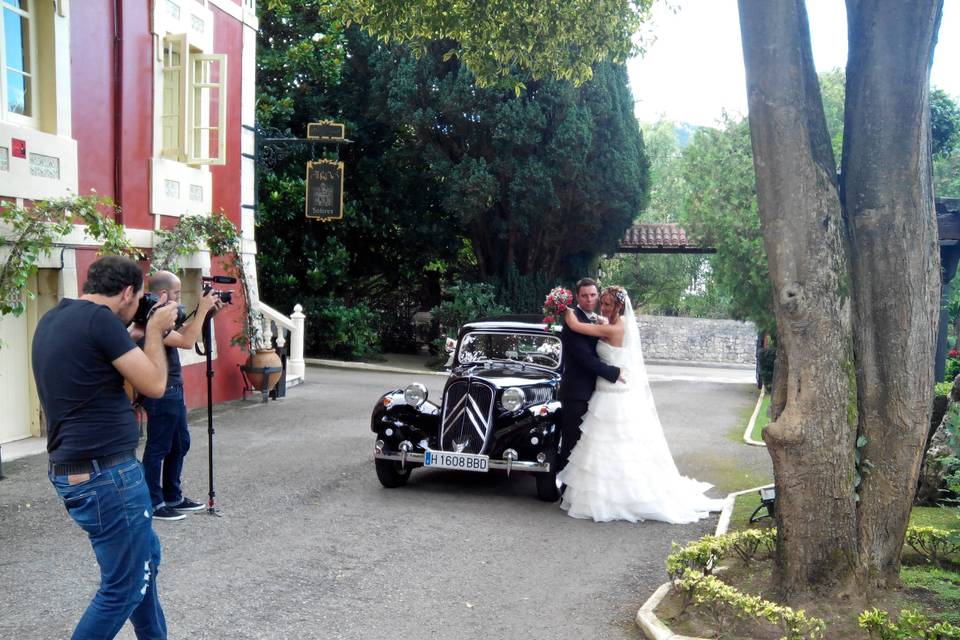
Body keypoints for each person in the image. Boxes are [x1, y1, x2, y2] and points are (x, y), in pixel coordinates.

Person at [32, 255, 179, 639]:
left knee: (145, 561)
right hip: (107, 477)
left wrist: (135, 330)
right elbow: (155, 385)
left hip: (78, 471)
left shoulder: (55, 318)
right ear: (128, 292)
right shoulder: (100, 321)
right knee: (123, 587)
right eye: (139, 299)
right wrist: (155, 330)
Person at [557, 285, 725, 523]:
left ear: (619, 307)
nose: (601, 307)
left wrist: (563, 308)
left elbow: (577, 326)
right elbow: (594, 324)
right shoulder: (612, 322)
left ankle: (624, 496)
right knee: (602, 446)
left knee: (618, 444)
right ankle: (602, 493)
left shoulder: (615, 327)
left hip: (613, 393)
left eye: (606, 303)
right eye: (600, 302)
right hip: (605, 391)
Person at [136, 271, 222, 522]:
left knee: (180, 443)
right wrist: (203, 309)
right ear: (163, 294)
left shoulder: (159, 317)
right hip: (162, 390)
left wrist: (206, 312)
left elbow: (182, 331)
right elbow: (186, 340)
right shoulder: (151, 319)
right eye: (176, 294)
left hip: (173, 388)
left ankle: (172, 495)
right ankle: (153, 501)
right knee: (158, 447)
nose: (179, 299)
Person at [556, 278, 622, 480]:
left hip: (597, 391)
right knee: (572, 443)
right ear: (577, 297)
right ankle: (565, 489)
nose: (590, 299)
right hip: (577, 392)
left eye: (593, 295)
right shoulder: (572, 318)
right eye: (584, 296)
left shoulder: (596, 319)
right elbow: (584, 357)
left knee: (590, 445)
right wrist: (612, 373)